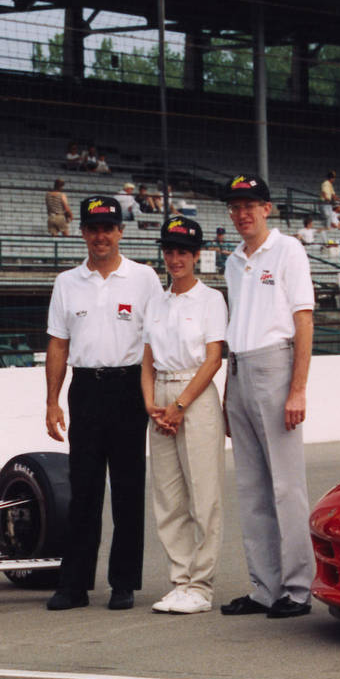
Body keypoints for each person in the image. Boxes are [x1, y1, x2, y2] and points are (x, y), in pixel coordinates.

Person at [43, 195, 161, 612]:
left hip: (129, 387)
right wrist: (52, 401)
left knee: (128, 488)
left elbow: (156, 341)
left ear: (120, 232)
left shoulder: (144, 279)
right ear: (83, 233)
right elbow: (58, 344)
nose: (100, 236)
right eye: (93, 229)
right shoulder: (66, 282)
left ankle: (124, 582)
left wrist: (152, 396)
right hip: (86, 389)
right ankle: (73, 584)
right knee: (84, 490)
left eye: (107, 228)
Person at [218, 174, 317, 619]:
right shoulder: (233, 261)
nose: (242, 213)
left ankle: (297, 588)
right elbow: (235, 327)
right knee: (251, 488)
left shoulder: (288, 250)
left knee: (285, 486)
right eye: (236, 206)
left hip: (275, 366)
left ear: (267, 208)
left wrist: (297, 388)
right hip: (238, 370)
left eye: (250, 205)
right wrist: (226, 394)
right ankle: (264, 586)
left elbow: (303, 321)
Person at [141, 216, 228, 615]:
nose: (175, 259)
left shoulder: (211, 299)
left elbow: (213, 359)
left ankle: (201, 585)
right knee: (168, 497)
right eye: (170, 251)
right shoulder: (156, 301)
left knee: (203, 494)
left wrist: (179, 406)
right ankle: (180, 580)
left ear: (196, 256)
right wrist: (151, 403)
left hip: (195, 394)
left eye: (183, 252)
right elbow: (146, 359)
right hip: (160, 394)